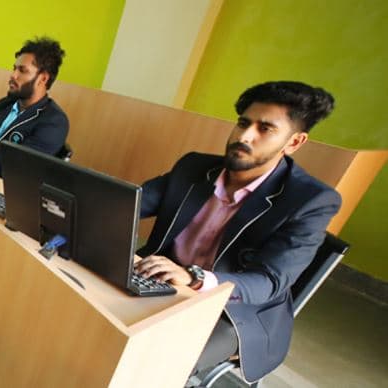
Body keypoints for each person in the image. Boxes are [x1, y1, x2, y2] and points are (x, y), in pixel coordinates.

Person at [134, 81, 339, 384]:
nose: (244, 136)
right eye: (243, 122)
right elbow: (130, 202)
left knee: (152, 359)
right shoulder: (194, 167)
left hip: (233, 312)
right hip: (163, 284)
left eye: (265, 129)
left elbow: (268, 280)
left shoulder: (312, 200)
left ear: (294, 142)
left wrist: (195, 277)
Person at [0, 37, 69, 175]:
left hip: (3, 190)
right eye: (14, 69)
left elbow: (16, 167)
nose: (13, 75)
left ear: (43, 79)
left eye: (22, 70)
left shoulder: (54, 122)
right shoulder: (5, 104)